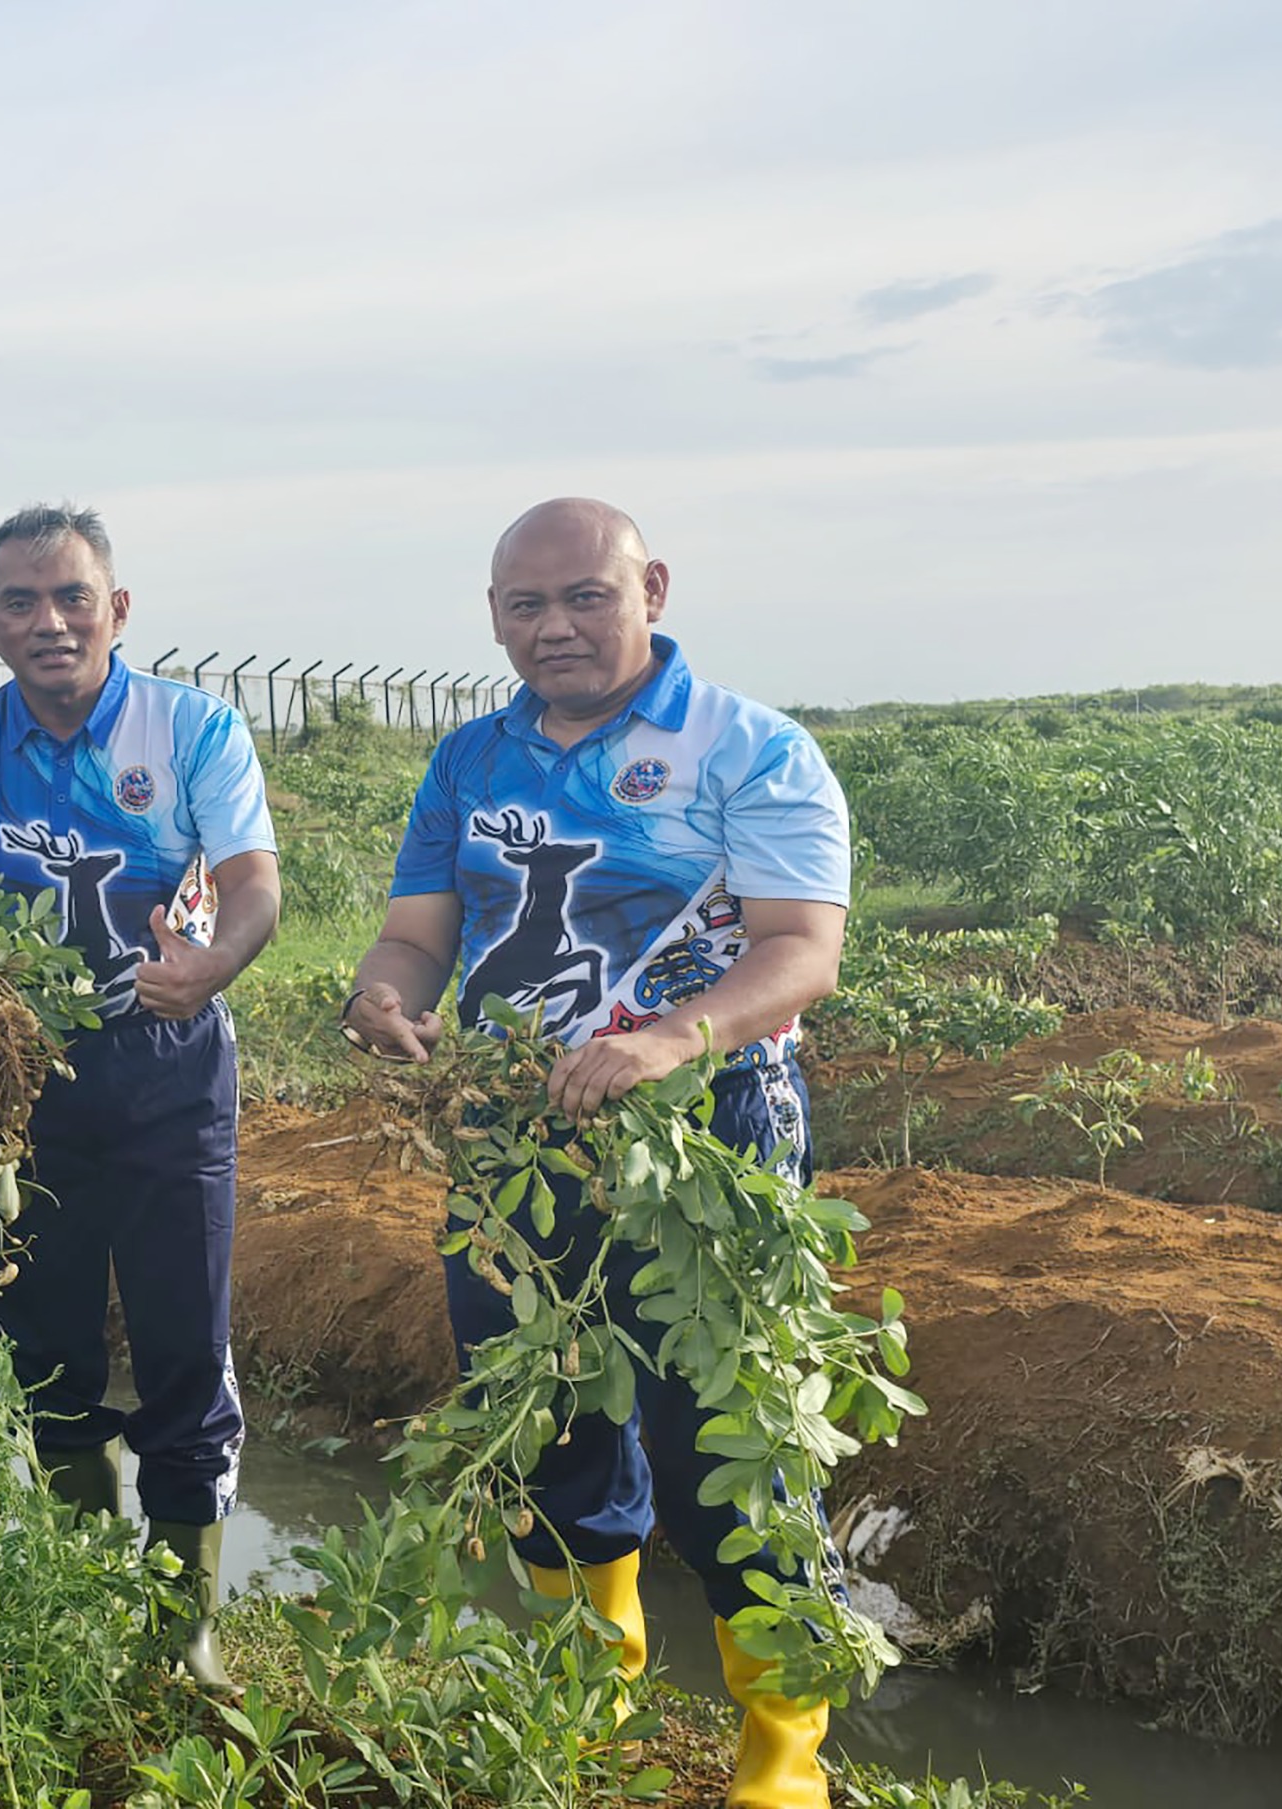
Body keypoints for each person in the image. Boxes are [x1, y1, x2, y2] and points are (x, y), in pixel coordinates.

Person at [342, 499, 849, 1809]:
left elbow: (801, 946)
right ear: (493, 616)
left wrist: (671, 1039)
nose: (554, 627)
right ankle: (589, 1695)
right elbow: (418, 937)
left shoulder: (748, 748)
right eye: (526, 605)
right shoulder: (468, 761)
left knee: (725, 1438)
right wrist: (384, 997)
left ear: (652, 589)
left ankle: (782, 1758)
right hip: (514, 1144)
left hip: (706, 1137)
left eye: (585, 596)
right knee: (545, 1416)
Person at [0, 503, 282, 1693]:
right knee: (42, 1352)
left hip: (171, 1070)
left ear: (116, 609)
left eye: (72, 596)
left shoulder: (192, 730)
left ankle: (182, 1632)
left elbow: (253, 888)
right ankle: (82, 1600)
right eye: (20, 603)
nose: (50, 622)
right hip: (19, 1095)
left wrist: (212, 967)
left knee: (185, 1352)